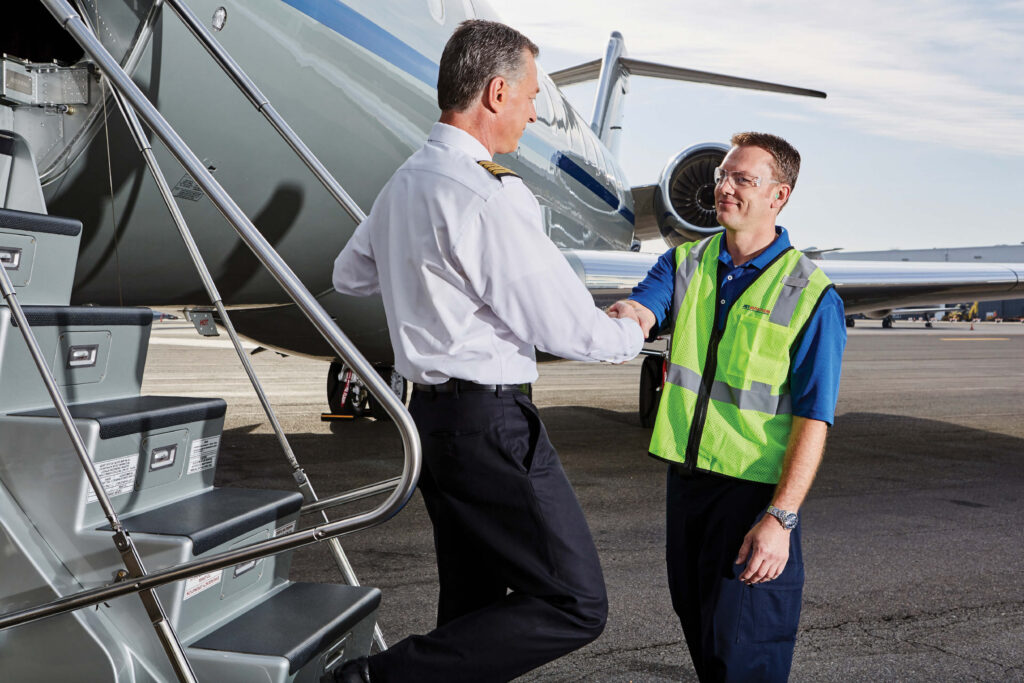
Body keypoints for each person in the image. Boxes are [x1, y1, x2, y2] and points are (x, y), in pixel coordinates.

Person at [327, 20, 644, 683]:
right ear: (497, 93)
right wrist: (633, 327)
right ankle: (370, 680)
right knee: (574, 601)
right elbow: (563, 325)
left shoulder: (408, 180)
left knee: (472, 609)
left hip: (433, 429)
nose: (532, 112)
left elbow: (349, 275)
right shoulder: (489, 193)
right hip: (490, 426)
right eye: (531, 97)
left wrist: (425, 272)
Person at [608, 132, 846, 681]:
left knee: (746, 655)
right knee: (703, 637)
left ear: (778, 196)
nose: (724, 188)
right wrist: (630, 318)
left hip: (754, 498)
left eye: (743, 179)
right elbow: (647, 306)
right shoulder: (685, 262)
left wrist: (780, 518)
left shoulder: (810, 295)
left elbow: (815, 419)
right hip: (687, 490)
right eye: (722, 175)